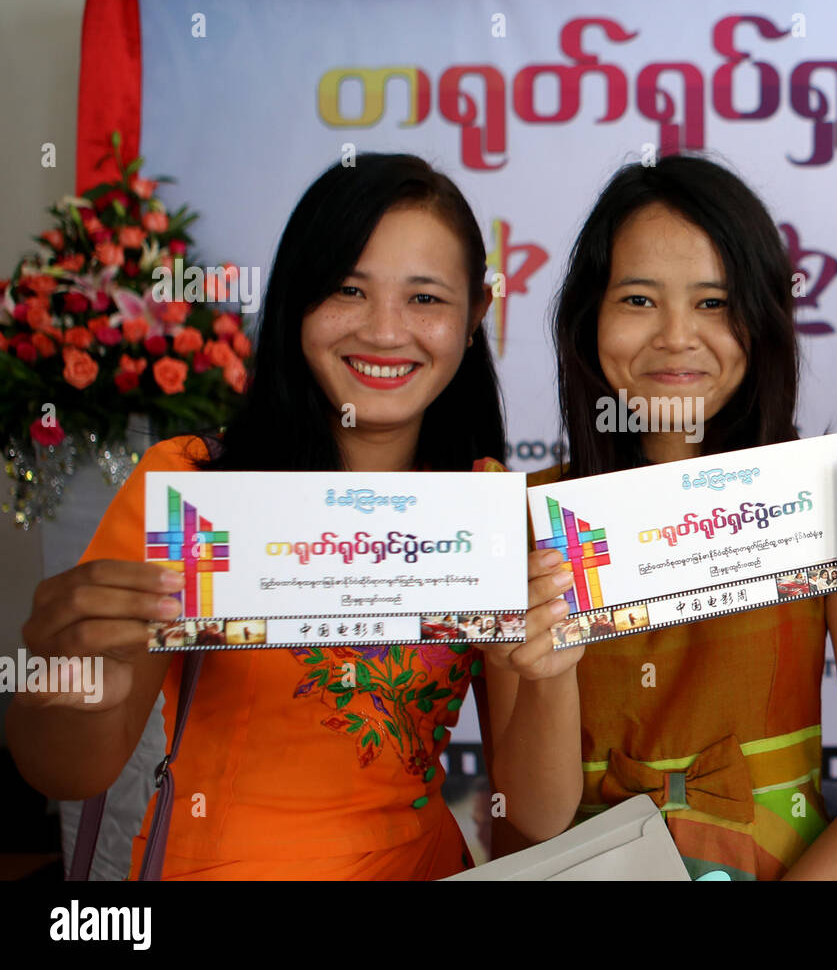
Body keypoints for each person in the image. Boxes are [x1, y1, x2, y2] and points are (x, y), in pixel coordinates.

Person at [7, 154, 582, 880]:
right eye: (347, 288)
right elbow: (68, 769)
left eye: (426, 299)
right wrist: (78, 683)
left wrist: (550, 673)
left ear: (474, 319)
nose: (384, 330)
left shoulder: (491, 506)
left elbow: (533, 812)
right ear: (295, 301)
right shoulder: (190, 486)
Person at [525, 154, 837, 880]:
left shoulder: (827, 498)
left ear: (763, 319)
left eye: (714, 302)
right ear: (590, 316)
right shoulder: (535, 521)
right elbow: (534, 813)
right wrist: (547, 673)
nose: (678, 336)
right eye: (640, 300)